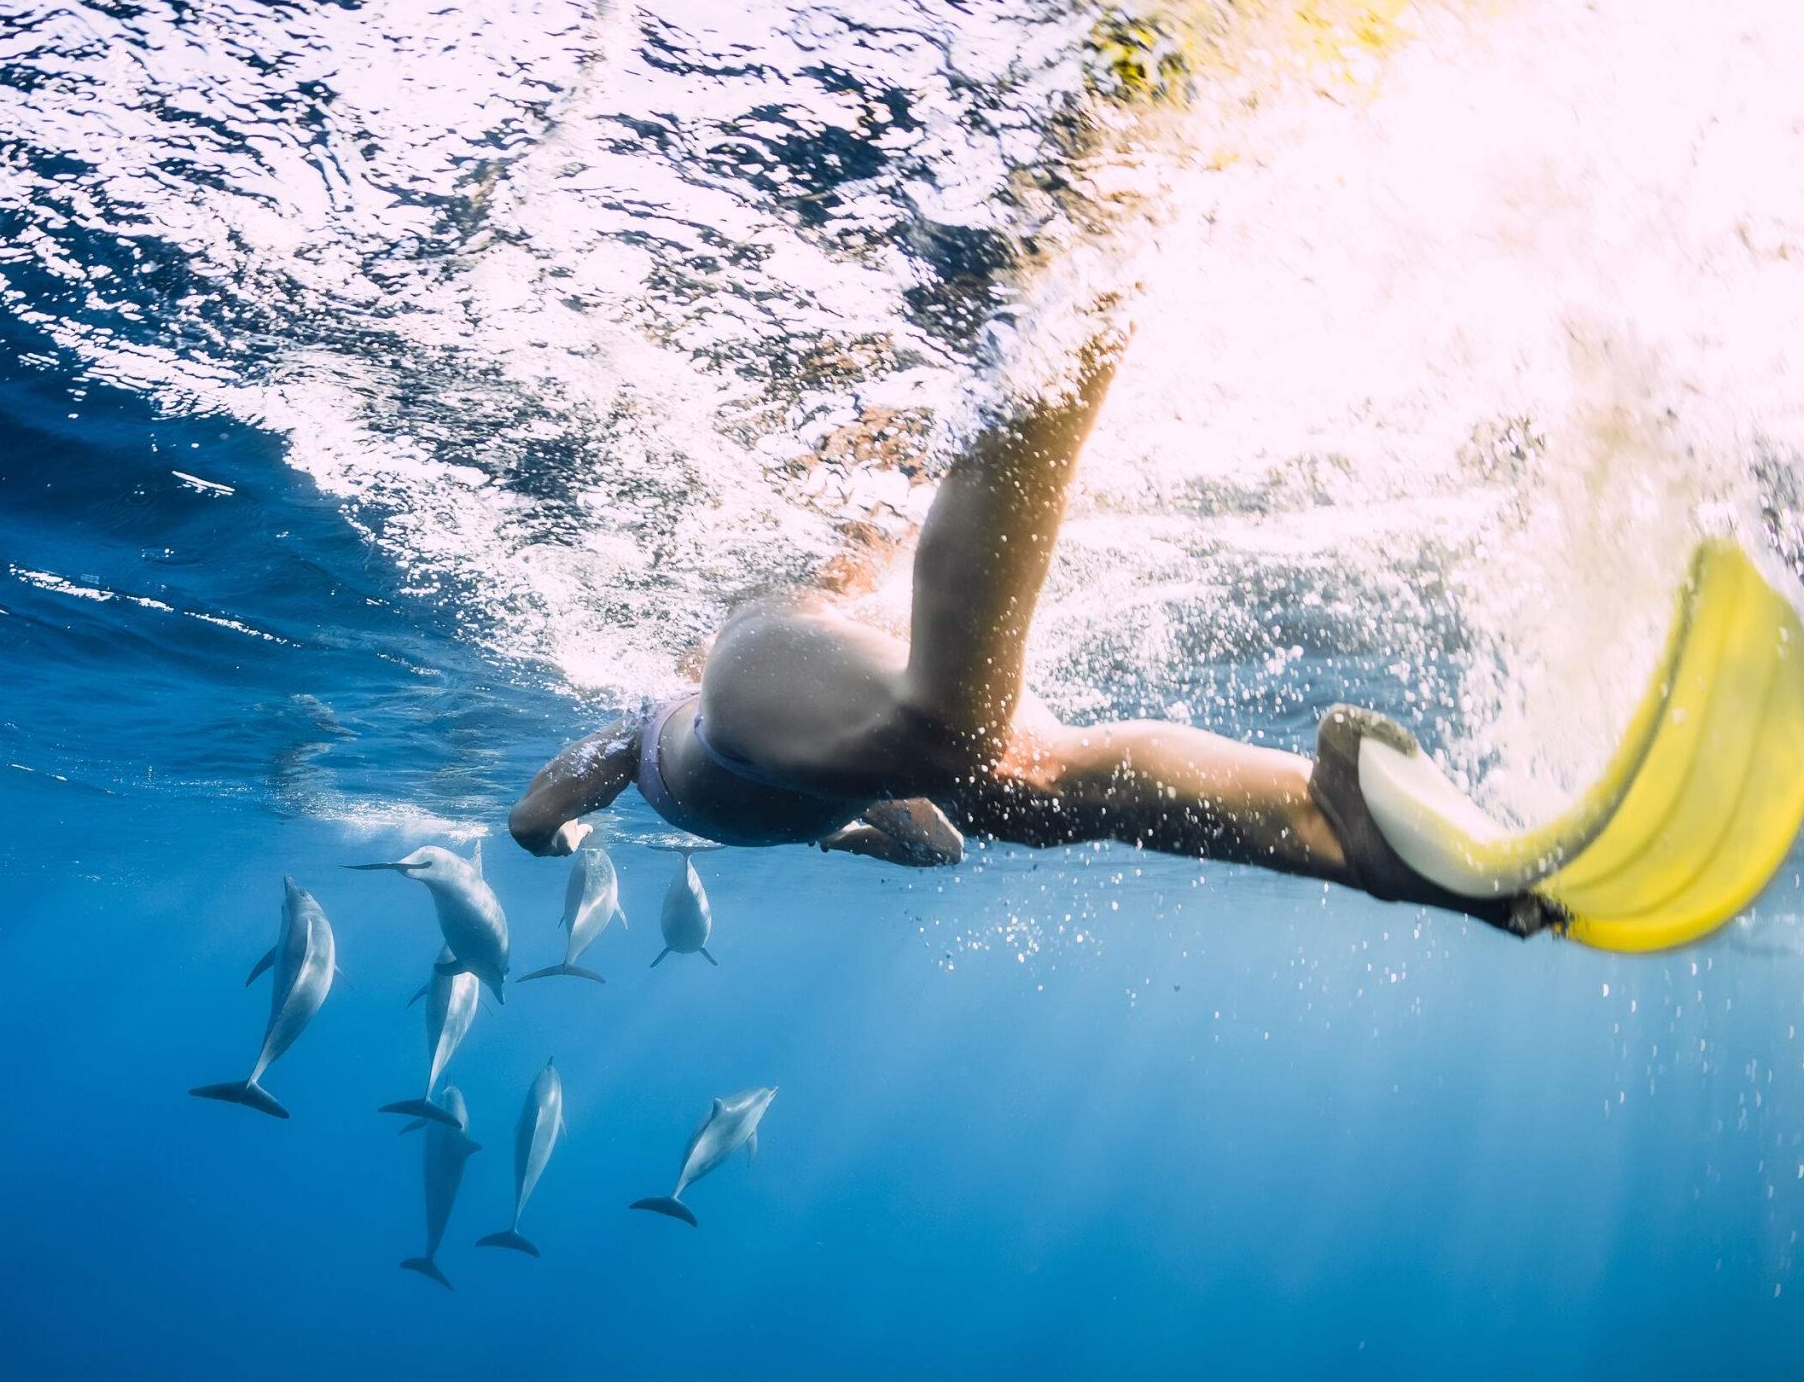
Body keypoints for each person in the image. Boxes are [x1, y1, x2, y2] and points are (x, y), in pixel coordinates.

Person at [506, 332, 1549, 934]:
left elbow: (534, 811)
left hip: (742, 689)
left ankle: (1058, 334)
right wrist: (863, 838)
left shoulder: (646, 725)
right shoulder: (849, 793)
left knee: (952, 743)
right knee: (1023, 793)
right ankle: (1336, 828)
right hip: (823, 718)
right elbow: (937, 850)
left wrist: (563, 834)